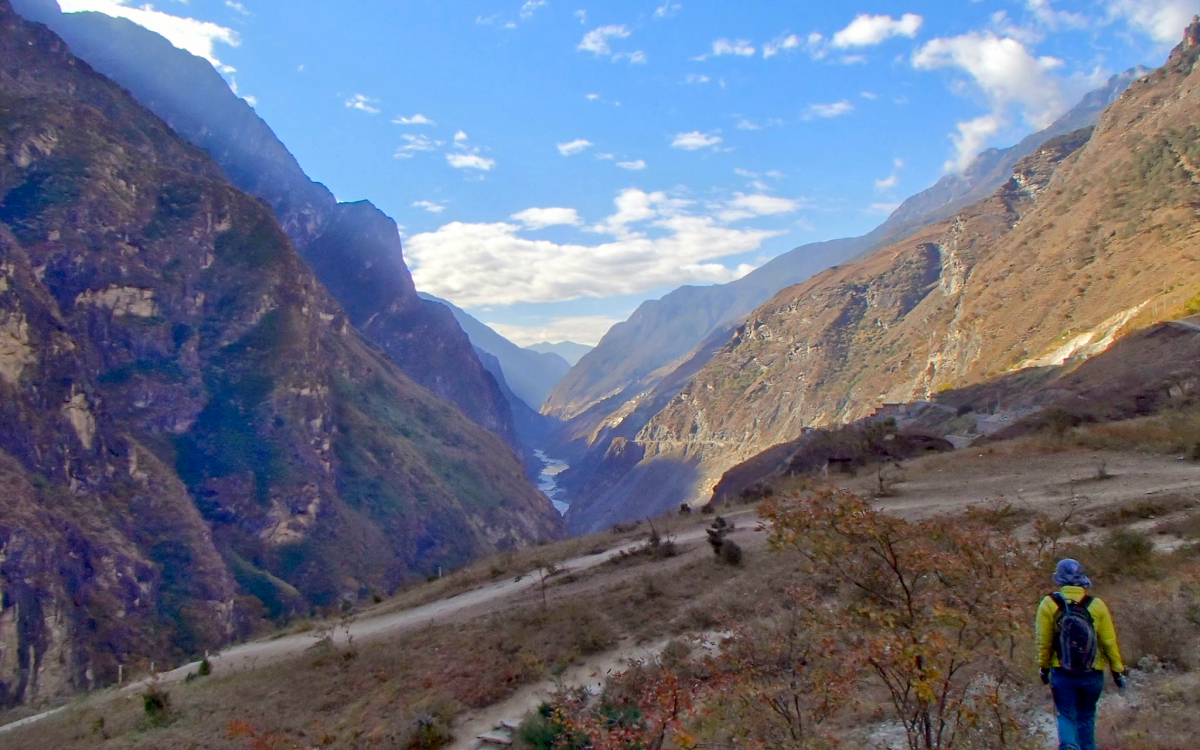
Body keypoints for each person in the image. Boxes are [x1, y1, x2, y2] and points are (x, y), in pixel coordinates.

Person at [1035, 558, 1127, 750]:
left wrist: (1044, 668)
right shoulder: (1097, 605)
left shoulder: (1048, 604)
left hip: (1062, 671)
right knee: (1086, 716)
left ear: (1059, 579)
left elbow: (1044, 642)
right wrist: (1117, 671)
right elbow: (1109, 642)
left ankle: (1069, 745)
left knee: (1065, 714)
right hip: (1092, 672)